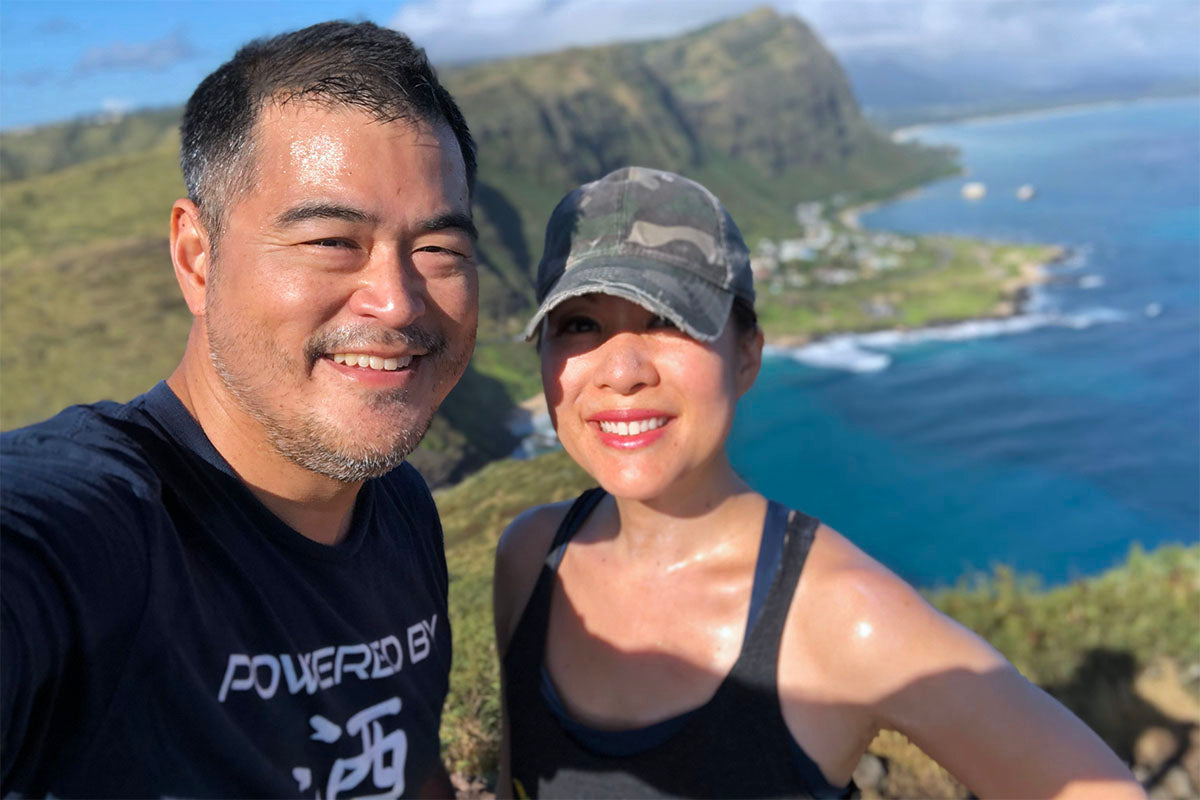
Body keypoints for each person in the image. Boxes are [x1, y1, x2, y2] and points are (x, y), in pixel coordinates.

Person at [493, 166, 1144, 799]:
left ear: (747, 354)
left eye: (667, 321)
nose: (622, 370)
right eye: (579, 324)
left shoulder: (842, 616)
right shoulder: (531, 561)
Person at [1, 21, 478, 798]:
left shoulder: (399, 510)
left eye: (440, 251)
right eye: (331, 239)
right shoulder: (105, 534)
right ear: (197, 256)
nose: (395, 300)